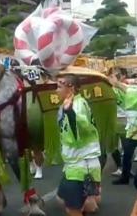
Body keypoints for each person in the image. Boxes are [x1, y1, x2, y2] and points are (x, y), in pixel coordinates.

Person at [56, 74, 101, 216]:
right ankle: (89, 203)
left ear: (71, 88)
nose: (55, 91)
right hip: (78, 163)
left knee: (71, 209)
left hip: (80, 166)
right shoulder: (74, 102)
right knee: (61, 197)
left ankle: (87, 203)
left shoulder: (76, 105)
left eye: (59, 86)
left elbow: (83, 125)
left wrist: (70, 113)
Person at [109, 74, 137, 185]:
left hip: (132, 129)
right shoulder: (131, 90)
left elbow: (127, 89)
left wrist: (116, 83)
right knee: (127, 156)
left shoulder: (132, 91)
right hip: (132, 130)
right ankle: (125, 177)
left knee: (127, 155)